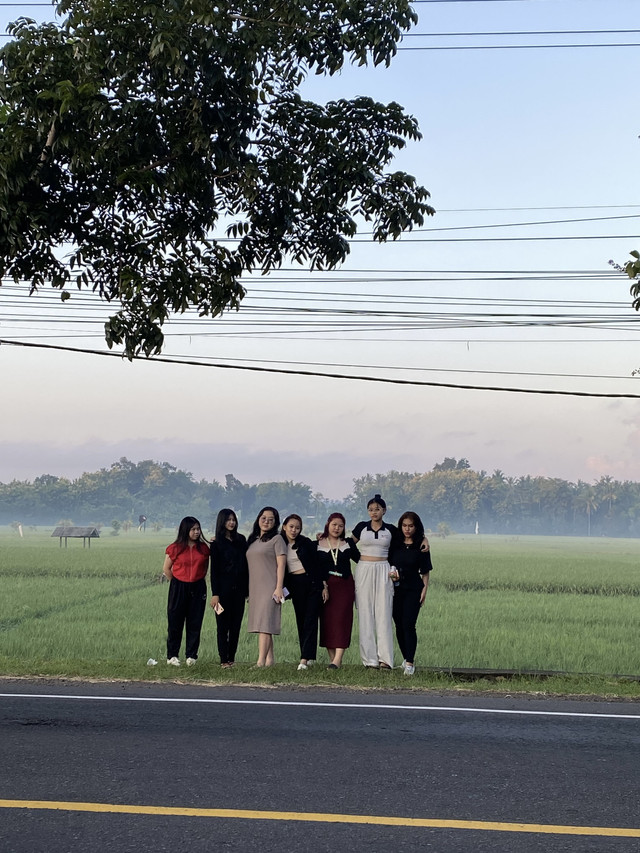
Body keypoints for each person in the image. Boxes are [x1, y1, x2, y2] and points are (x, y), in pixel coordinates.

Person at [350, 495, 398, 669]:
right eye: (370, 509)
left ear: (384, 510)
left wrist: (424, 539)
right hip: (364, 569)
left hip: (384, 569)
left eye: (377, 509)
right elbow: (348, 544)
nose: (374, 512)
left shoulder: (391, 530)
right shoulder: (361, 527)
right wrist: (359, 559)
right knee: (365, 613)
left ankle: (385, 660)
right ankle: (369, 660)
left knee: (384, 612)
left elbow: (404, 544)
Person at [388, 511, 433, 676]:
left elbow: (425, 571)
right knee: (399, 625)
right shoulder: (395, 543)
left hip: (414, 589)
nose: (407, 529)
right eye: (404, 525)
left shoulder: (421, 545)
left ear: (416, 527)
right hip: (395, 589)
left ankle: (410, 663)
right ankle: (406, 657)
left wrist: (424, 590)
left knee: (408, 624)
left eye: (411, 526)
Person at [162, 516, 209, 667]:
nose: (197, 532)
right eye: (193, 529)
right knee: (175, 621)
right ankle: (172, 656)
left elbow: (205, 568)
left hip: (198, 586)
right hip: (178, 586)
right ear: (185, 530)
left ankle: (191, 656)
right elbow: (166, 569)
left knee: (195, 622)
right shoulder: (175, 548)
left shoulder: (203, 548)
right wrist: (177, 583)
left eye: (198, 529)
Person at [281, 514, 325, 670]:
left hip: (311, 583)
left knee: (311, 619)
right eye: (291, 527)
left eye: (297, 528)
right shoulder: (279, 543)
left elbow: (318, 562)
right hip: (295, 585)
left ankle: (304, 659)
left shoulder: (305, 543)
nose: (294, 530)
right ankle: (308, 655)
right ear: (284, 527)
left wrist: (323, 585)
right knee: (301, 620)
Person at [317, 512, 359, 669]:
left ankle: (337, 659)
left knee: (342, 620)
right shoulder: (317, 543)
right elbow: (315, 567)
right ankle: (333, 660)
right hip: (327, 587)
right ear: (328, 524)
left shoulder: (348, 543)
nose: (337, 528)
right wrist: (323, 585)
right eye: (334, 525)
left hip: (345, 586)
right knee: (327, 621)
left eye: (341, 526)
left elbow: (362, 559)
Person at [246, 506, 287, 666]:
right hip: (255, 588)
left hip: (270, 587)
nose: (266, 522)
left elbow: (281, 564)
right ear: (258, 519)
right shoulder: (253, 540)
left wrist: (278, 587)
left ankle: (260, 662)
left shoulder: (277, 539)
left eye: (271, 519)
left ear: (275, 523)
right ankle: (270, 660)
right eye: (264, 518)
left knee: (265, 624)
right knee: (264, 624)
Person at [209, 508, 249, 668]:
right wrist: (215, 594)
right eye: (228, 520)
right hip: (222, 591)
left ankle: (232, 657)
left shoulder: (241, 540)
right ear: (222, 521)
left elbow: (246, 566)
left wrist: (247, 591)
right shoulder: (216, 543)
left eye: (233, 520)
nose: (231, 522)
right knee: (222, 626)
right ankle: (223, 659)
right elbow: (214, 571)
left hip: (239, 590)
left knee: (235, 626)